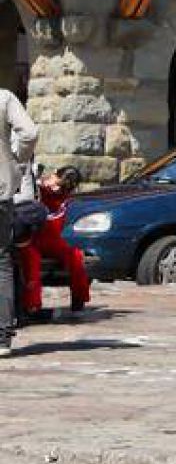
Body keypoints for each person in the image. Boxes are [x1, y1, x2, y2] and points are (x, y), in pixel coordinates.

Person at [15, 167, 90, 322]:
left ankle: (79, 300)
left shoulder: (66, 198)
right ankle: (33, 305)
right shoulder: (38, 189)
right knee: (31, 262)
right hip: (34, 238)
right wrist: (42, 184)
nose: (56, 188)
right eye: (56, 182)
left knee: (75, 256)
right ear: (54, 174)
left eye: (63, 186)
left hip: (54, 240)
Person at [1, 85, 36, 358]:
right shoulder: (4, 98)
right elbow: (30, 133)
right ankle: (2, 335)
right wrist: (16, 162)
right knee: (1, 261)